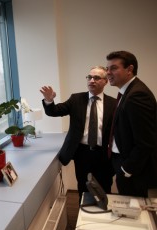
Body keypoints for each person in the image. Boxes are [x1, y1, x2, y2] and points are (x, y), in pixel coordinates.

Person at [40, 66, 116, 202]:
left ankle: (104, 216)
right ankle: (84, 216)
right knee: (83, 186)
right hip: (82, 153)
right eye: (89, 77)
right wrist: (49, 101)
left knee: (104, 187)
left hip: (104, 153)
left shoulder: (113, 103)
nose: (92, 80)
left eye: (97, 78)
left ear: (105, 81)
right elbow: (54, 111)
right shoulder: (76, 99)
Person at [106, 50, 157, 197]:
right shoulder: (127, 92)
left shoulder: (137, 95)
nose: (108, 72)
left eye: (114, 68)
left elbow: (146, 142)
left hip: (134, 170)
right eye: (107, 68)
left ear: (130, 69)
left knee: (137, 213)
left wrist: (127, 169)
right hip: (123, 161)